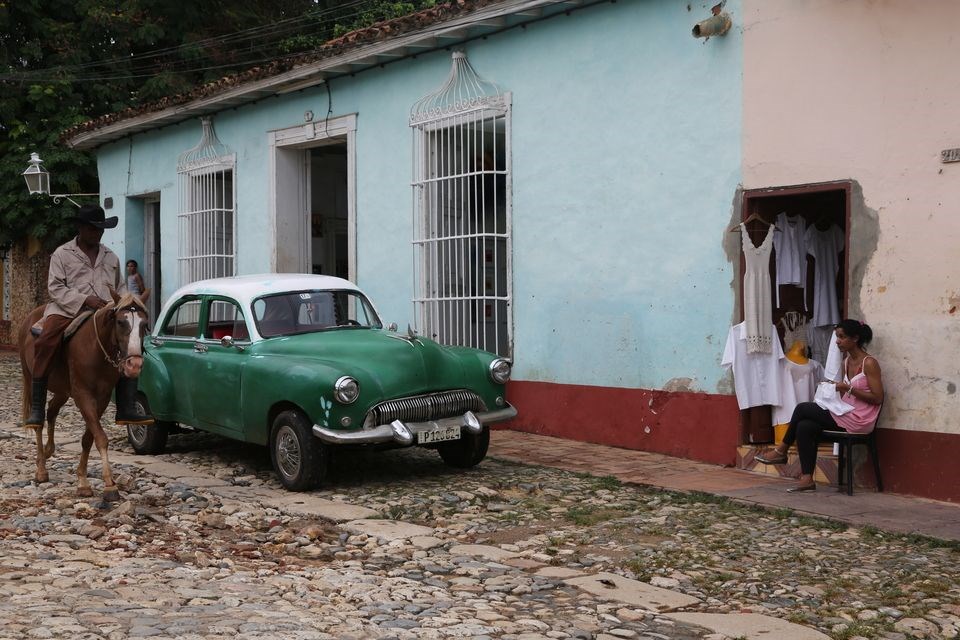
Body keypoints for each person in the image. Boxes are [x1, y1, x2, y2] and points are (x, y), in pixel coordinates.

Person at [25, 205, 154, 428]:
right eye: (94, 229)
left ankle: (126, 406)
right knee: (46, 340)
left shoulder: (110, 257)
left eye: (101, 230)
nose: (98, 234)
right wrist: (85, 300)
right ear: (81, 228)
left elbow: (121, 287)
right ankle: (37, 407)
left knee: (131, 344)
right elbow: (55, 288)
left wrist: (128, 303)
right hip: (67, 310)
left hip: (105, 311)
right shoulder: (62, 254)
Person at [755, 319, 884, 492]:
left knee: (802, 408)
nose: (837, 341)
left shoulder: (869, 363)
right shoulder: (846, 362)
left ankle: (781, 450)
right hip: (845, 412)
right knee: (804, 426)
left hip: (860, 419)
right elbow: (846, 393)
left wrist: (848, 388)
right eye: (837, 336)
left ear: (855, 338)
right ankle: (807, 478)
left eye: (842, 337)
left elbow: (877, 398)